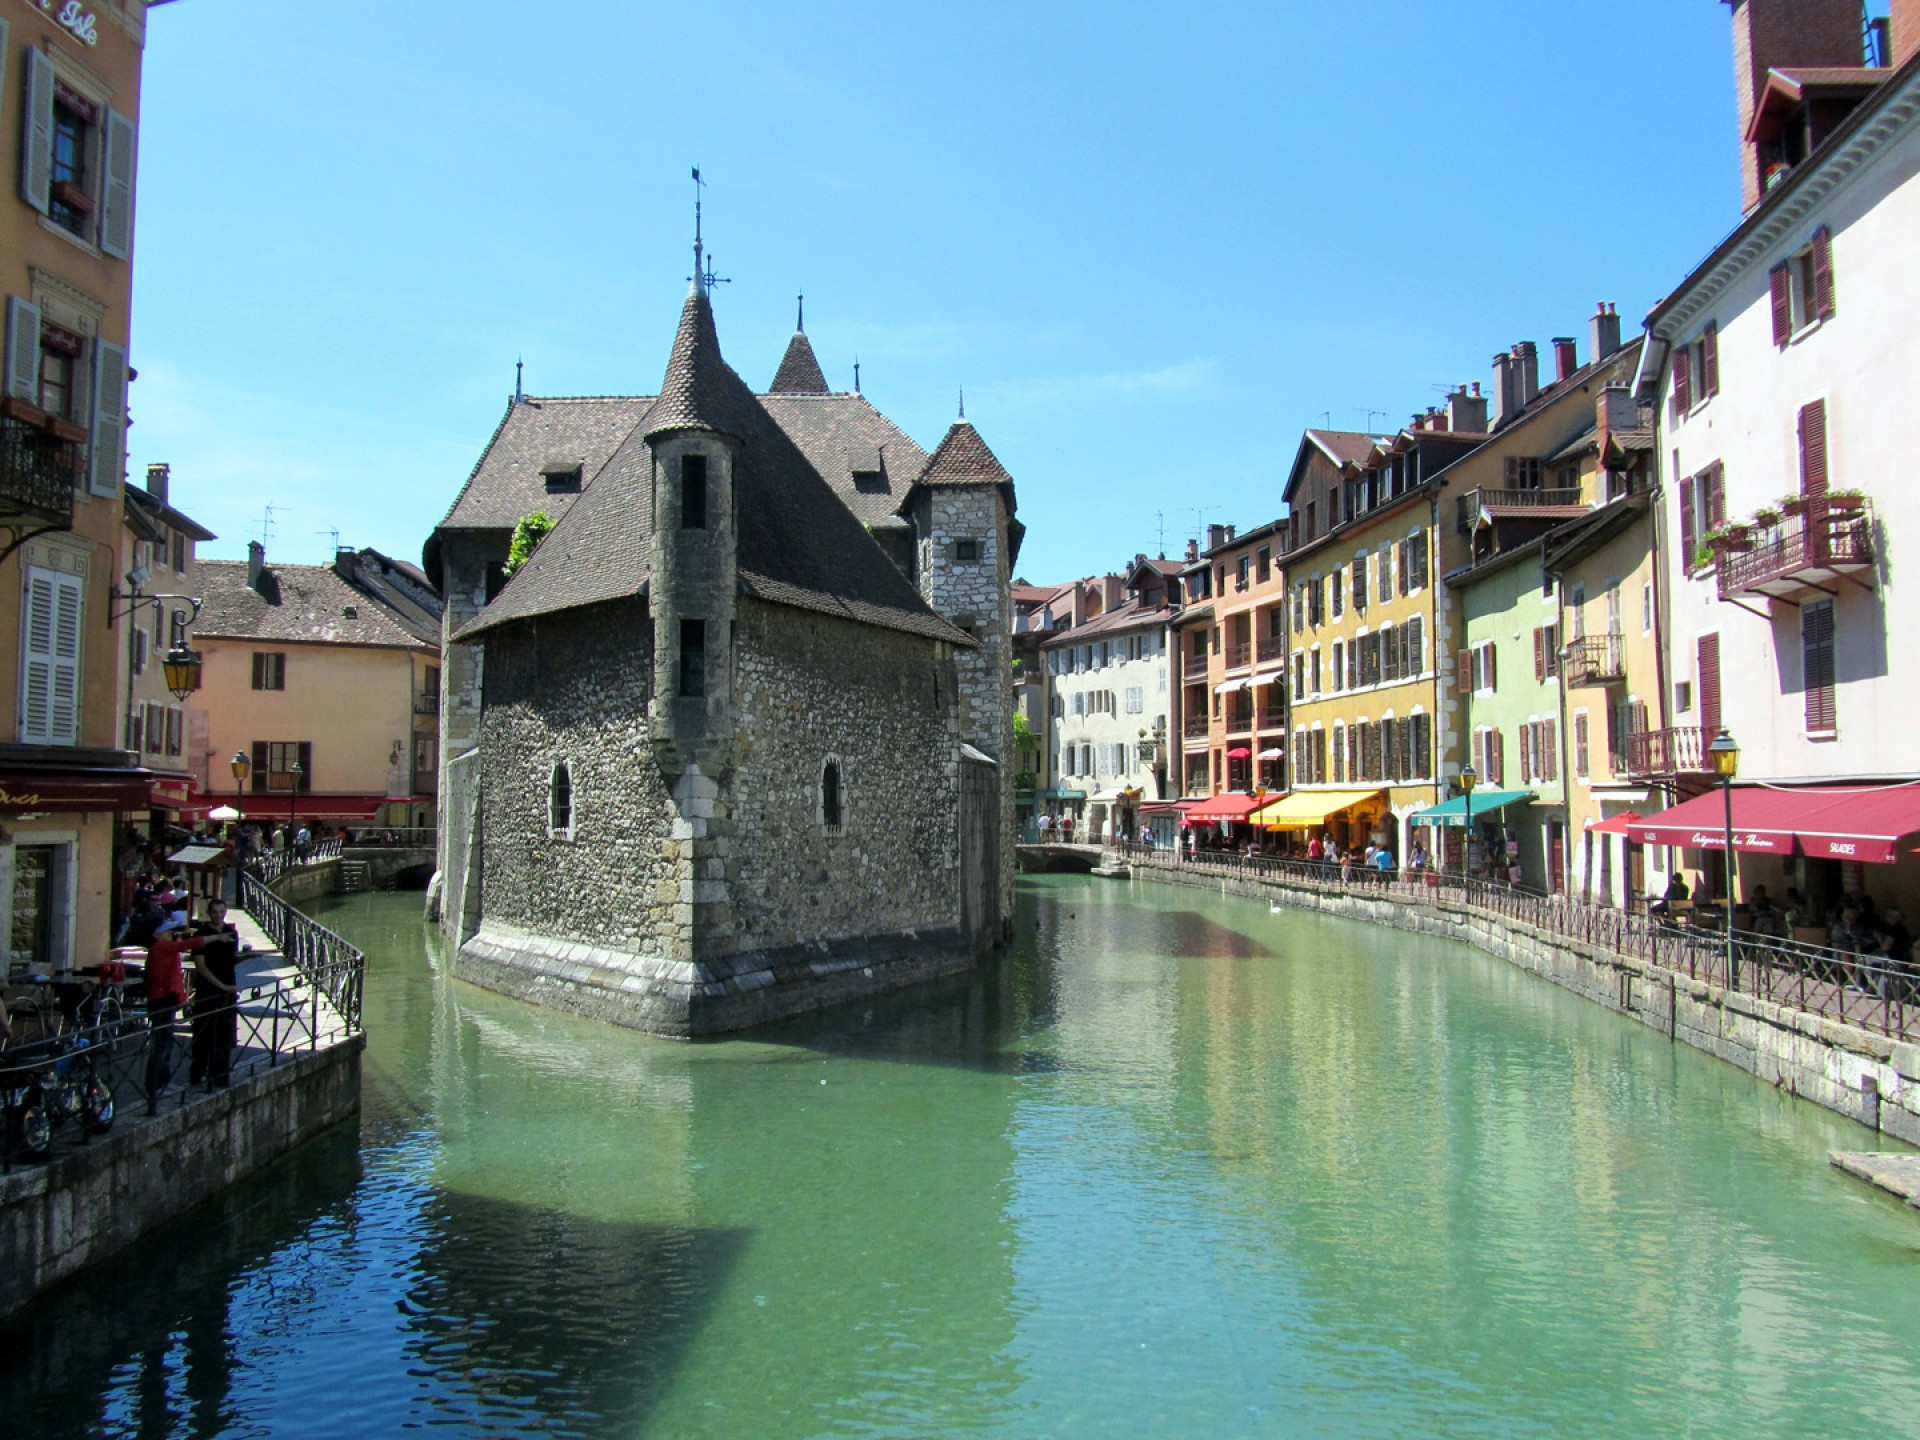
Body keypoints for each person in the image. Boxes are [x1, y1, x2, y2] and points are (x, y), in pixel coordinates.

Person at [144, 915, 209, 1109]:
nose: (172, 934)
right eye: (169, 931)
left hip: (165, 1000)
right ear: (159, 934)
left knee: (164, 1042)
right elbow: (189, 944)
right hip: (162, 1001)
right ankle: (156, 1085)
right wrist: (215, 938)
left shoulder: (163, 948)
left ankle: (161, 1082)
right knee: (161, 1044)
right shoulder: (161, 947)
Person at [189, 901, 245, 1088]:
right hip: (208, 991)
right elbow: (201, 967)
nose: (218, 915)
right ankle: (197, 1075)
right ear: (209, 913)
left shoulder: (232, 933)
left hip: (227, 989)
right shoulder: (201, 935)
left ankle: (220, 1077)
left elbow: (231, 959)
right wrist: (222, 986)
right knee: (203, 1034)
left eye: (221, 912)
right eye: (215, 912)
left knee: (224, 1035)